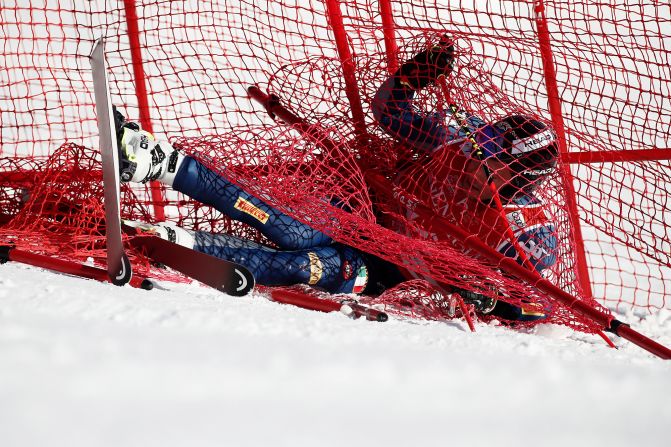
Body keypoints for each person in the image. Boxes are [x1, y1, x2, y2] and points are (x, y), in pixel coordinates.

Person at [116, 35, 558, 321]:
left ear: (519, 177)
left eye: (493, 159)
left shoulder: (526, 232)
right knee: (290, 228)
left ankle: (170, 242)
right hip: (363, 217)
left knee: (302, 266)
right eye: (484, 144)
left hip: (391, 275)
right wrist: (414, 78)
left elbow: (539, 306)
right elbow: (390, 112)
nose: (475, 158)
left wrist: (495, 303)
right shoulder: (457, 142)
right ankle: (159, 161)